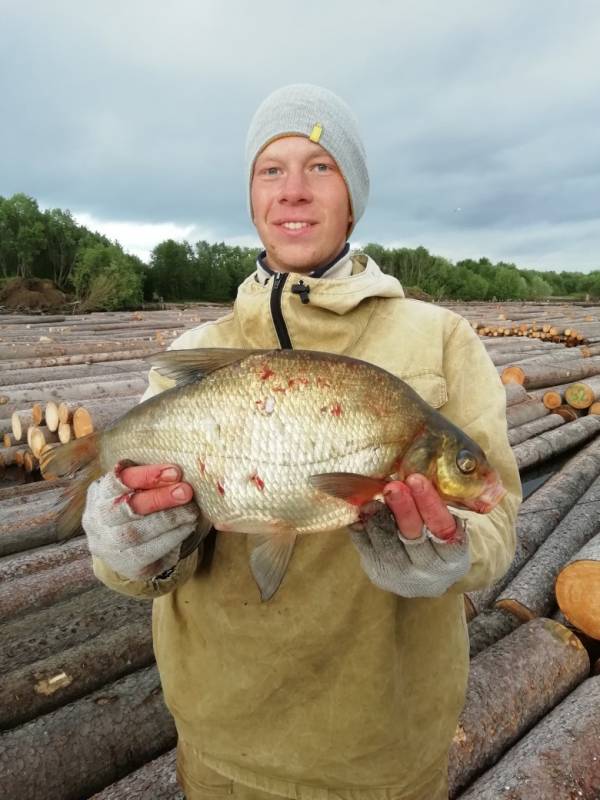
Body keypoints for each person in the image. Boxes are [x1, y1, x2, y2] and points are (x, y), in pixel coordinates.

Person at [82, 84, 522, 800]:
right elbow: (143, 569)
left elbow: (498, 513)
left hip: (384, 754)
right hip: (221, 743)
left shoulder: (441, 338)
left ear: (354, 195)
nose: (292, 190)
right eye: (271, 169)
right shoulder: (197, 349)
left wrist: (451, 555)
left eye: (319, 166)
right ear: (252, 197)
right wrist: (127, 550)